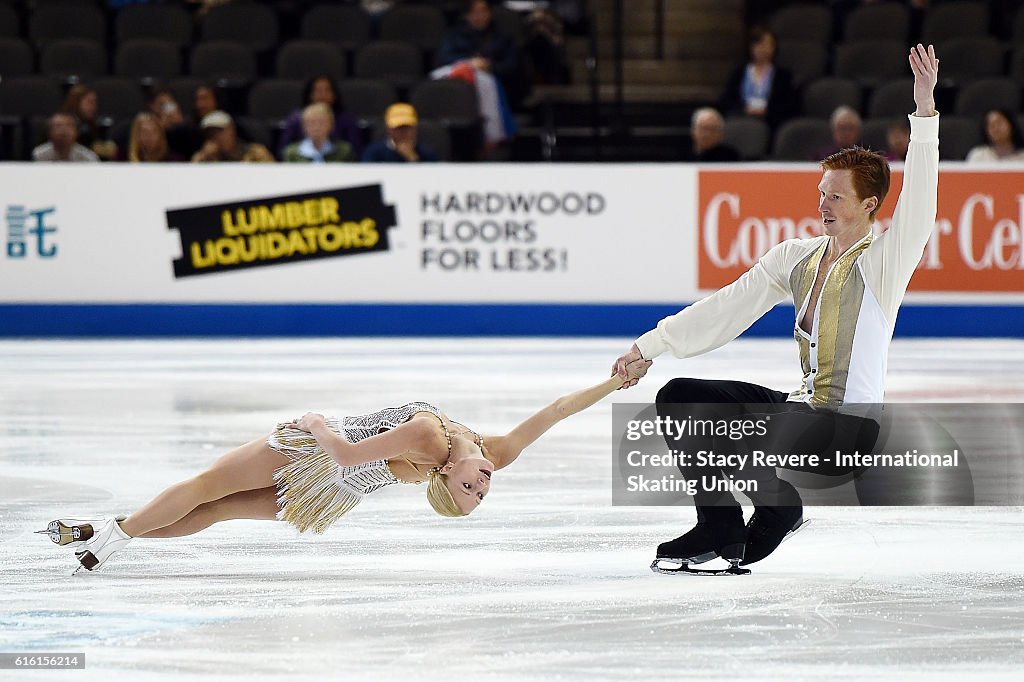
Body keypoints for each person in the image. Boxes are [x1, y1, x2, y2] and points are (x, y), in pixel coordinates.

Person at [612, 44, 941, 574]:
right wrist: (649, 348)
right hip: (801, 408)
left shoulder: (882, 262)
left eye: (835, 197)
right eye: (821, 193)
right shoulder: (797, 257)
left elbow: (921, 204)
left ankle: (778, 506)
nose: (822, 204)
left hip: (845, 431)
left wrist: (924, 115)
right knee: (682, 398)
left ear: (869, 205)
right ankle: (718, 526)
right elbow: (728, 308)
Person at [41, 365, 648, 572]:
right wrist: (617, 381)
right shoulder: (497, 450)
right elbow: (558, 411)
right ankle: (104, 534)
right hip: (334, 489)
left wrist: (317, 419)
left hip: (316, 456)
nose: (484, 485)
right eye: (481, 492)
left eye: (470, 492)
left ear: (445, 478)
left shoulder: (431, 438)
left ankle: (113, 535)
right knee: (212, 503)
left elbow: (348, 452)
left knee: (210, 495)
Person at [717, 26, 797, 130]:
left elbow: (789, 105)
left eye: (767, 44)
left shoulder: (783, 76)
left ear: (774, 47)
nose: (762, 48)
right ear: (751, 47)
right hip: (742, 117)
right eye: (758, 44)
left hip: (771, 121)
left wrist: (767, 110)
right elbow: (726, 99)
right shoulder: (739, 72)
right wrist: (744, 109)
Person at [276, 75, 363, 160]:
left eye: (327, 90)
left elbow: (356, 150)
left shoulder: (346, 121)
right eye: (318, 90)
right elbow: (283, 149)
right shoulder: (296, 119)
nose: (322, 94)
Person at [362, 103, 439, 163]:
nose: (403, 132)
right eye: (398, 128)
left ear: (415, 129)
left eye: (407, 128)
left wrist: (413, 159)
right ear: (389, 129)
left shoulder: (427, 154)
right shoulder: (374, 152)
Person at [282, 103, 357, 163]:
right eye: (311, 123)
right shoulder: (291, 153)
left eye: (321, 122)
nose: (316, 127)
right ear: (304, 126)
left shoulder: (345, 151)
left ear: (331, 125)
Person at [191, 111, 275, 163]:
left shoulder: (256, 153)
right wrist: (205, 159)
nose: (216, 137)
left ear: (232, 131)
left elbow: (272, 175)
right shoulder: (205, 157)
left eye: (219, 132)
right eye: (211, 133)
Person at [60, 84, 118, 161]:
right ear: (76, 102)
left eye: (95, 103)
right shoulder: (62, 124)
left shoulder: (92, 125)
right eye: (89, 102)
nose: (93, 107)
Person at [31, 112, 100, 162]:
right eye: (58, 126)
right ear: (49, 132)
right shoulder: (38, 155)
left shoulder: (88, 158)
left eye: (68, 126)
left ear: (77, 132)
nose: (63, 130)